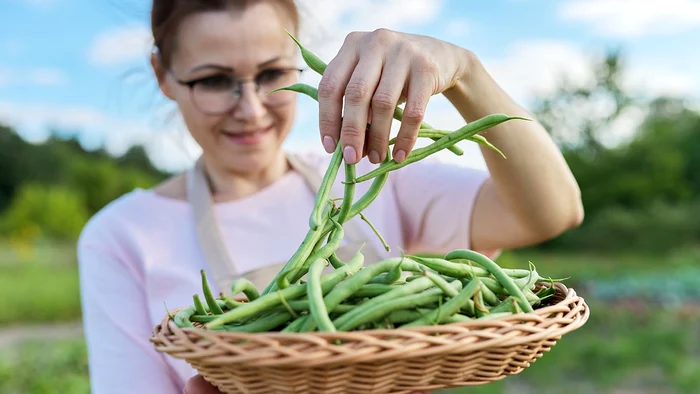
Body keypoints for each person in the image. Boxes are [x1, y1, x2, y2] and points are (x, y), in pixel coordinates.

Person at [77, 0, 584, 393]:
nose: (251, 110)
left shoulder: (372, 167)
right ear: (163, 75)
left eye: (273, 74)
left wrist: (465, 73)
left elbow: (553, 211)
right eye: (214, 80)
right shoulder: (119, 236)